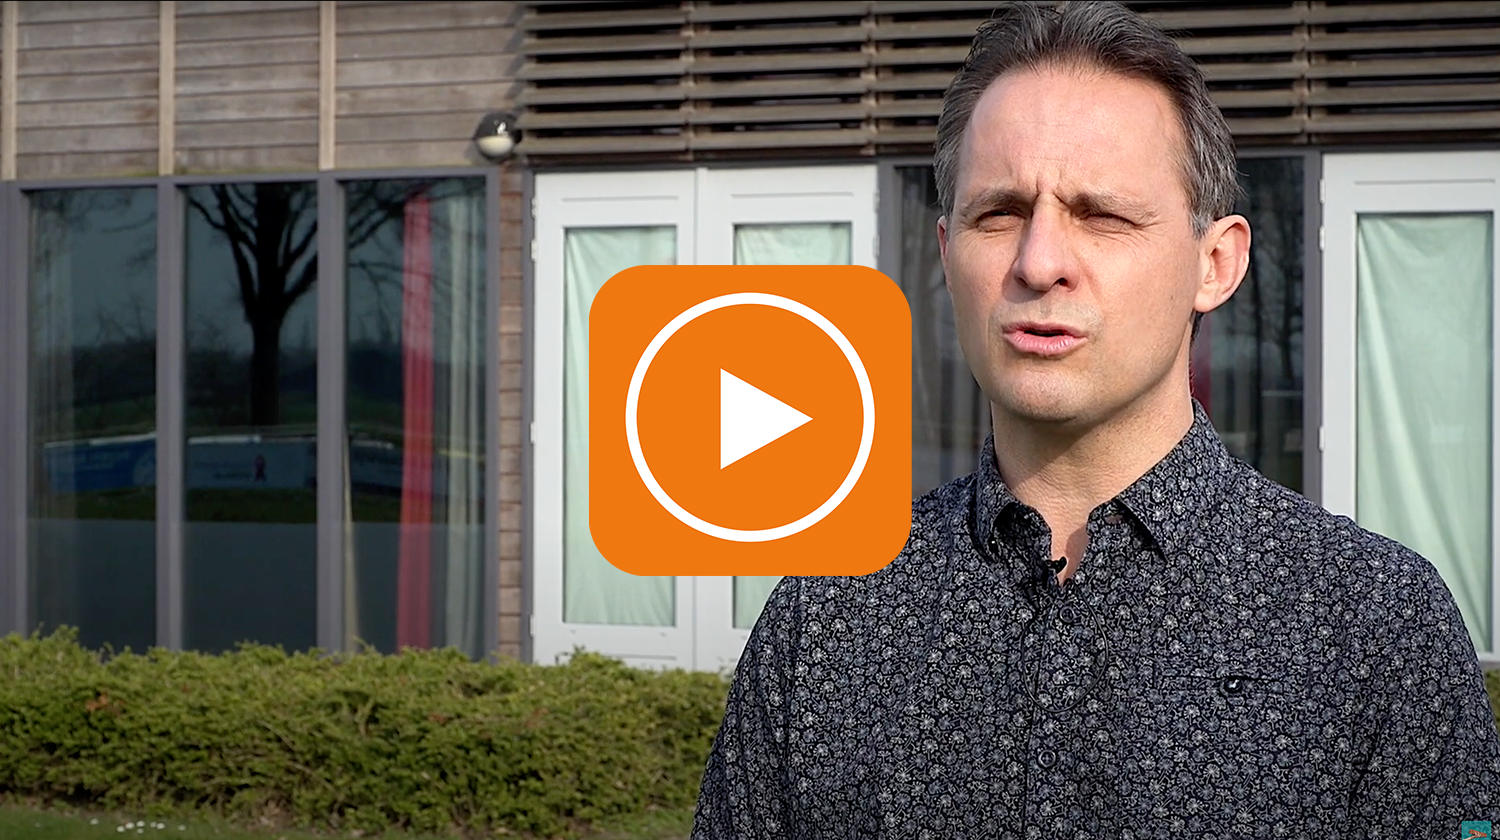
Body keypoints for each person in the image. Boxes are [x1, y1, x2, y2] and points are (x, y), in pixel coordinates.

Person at [691, 2, 1500, 837]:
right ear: (946, 253)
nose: (1039, 262)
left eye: (1103, 215)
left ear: (1215, 263)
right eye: (998, 213)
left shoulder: (1375, 628)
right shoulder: (825, 617)